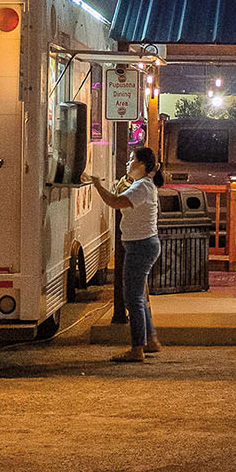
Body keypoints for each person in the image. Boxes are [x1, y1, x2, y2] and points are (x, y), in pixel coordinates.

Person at [89, 146, 164, 362]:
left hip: (140, 246)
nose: (128, 163)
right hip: (143, 245)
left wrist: (97, 185)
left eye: (132, 159)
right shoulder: (142, 186)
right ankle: (150, 340)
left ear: (142, 164)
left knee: (132, 299)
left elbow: (114, 202)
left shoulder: (142, 187)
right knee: (138, 296)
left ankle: (137, 348)